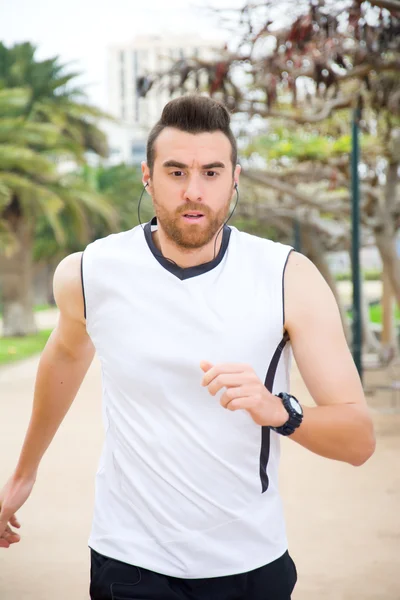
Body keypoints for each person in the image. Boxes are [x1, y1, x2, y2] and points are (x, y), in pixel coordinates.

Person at [0, 95, 375, 600]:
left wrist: (277, 410)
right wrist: (24, 474)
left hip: (250, 563)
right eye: (175, 172)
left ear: (235, 177)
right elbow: (65, 356)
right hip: (128, 560)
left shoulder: (287, 277)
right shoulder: (90, 272)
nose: (194, 191)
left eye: (211, 173)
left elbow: (358, 439)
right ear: (147, 176)